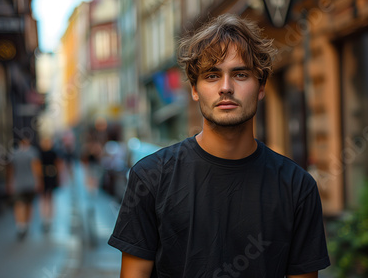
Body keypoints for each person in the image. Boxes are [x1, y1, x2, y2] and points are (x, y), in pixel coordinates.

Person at [108, 14, 330, 277]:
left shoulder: (297, 187)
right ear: (194, 89)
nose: (226, 88)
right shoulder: (150, 178)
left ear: (261, 87)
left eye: (240, 74)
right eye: (212, 75)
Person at [7, 136, 42, 239]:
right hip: (30, 183)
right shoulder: (32, 152)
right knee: (28, 204)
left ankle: (20, 226)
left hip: (18, 183)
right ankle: (26, 224)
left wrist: (10, 182)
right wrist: (38, 182)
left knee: (19, 204)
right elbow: (36, 168)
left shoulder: (14, 153)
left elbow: (11, 170)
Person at [39, 136, 62, 232]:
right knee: (44, 198)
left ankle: (50, 218)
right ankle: (45, 218)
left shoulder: (53, 153)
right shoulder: (39, 153)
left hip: (51, 176)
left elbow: (58, 164)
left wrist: (59, 177)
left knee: (50, 197)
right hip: (43, 176)